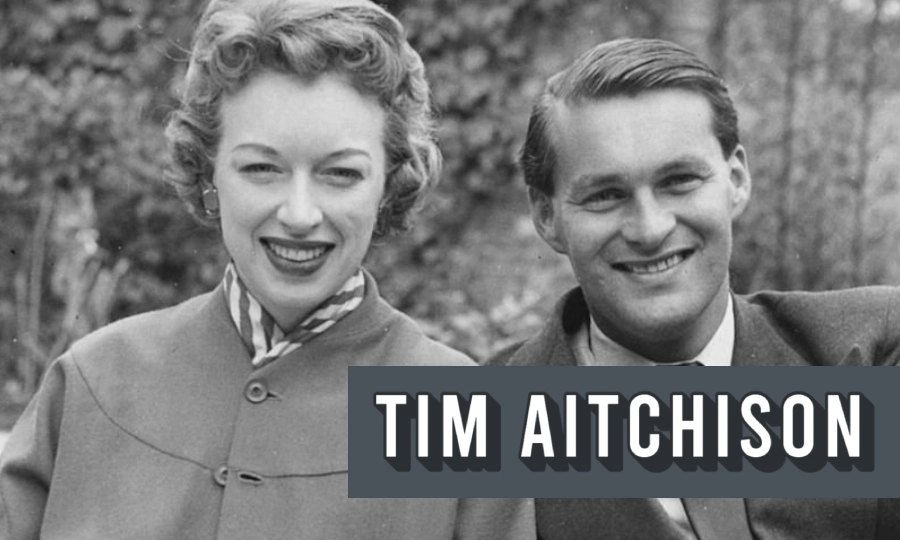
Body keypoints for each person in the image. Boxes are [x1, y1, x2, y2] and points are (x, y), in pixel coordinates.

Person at [0, 0, 535, 538]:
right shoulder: (93, 383)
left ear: (390, 185)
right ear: (208, 172)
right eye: (261, 168)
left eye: (341, 174)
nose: (299, 215)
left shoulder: (466, 418)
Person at [490, 38, 900, 539]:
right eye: (605, 195)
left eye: (679, 180)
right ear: (547, 216)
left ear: (737, 180)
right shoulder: (486, 422)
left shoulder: (870, 352)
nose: (650, 228)